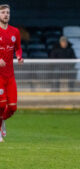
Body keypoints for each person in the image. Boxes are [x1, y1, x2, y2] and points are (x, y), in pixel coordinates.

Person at [0, 4, 24, 142]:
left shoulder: (15, 31)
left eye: (8, 12)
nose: (6, 15)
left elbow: (18, 48)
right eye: (3, 12)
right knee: (1, 105)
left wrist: (19, 56)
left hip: (10, 76)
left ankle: (2, 120)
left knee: (13, 107)